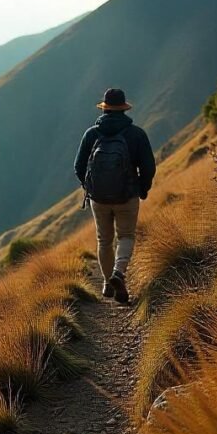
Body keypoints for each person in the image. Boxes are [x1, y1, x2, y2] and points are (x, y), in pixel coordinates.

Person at [73, 88, 156, 303]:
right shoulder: (136, 134)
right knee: (126, 236)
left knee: (104, 240)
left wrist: (90, 187)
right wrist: (142, 188)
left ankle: (108, 282)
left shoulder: (91, 134)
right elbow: (148, 167)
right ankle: (118, 273)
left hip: (98, 199)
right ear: (124, 108)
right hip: (127, 195)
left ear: (105, 108)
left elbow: (78, 166)